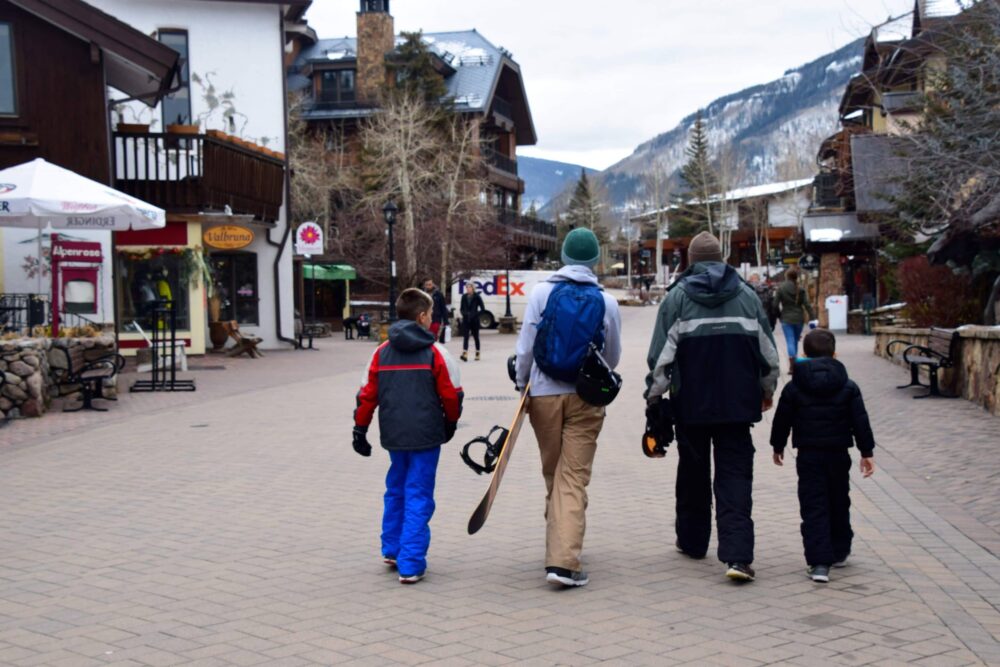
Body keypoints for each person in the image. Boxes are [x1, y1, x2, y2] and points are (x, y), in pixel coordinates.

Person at [645, 231, 779, 583]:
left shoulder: (676, 299)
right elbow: (768, 354)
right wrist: (767, 390)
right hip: (738, 404)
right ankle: (738, 557)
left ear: (690, 261)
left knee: (693, 472)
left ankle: (692, 542)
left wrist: (654, 398)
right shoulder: (747, 297)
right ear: (722, 258)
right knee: (735, 475)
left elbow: (660, 359)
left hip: (690, 404)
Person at [514, 227, 622, 588]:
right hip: (586, 397)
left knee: (554, 472)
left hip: (543, 395)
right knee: (572, 476)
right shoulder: (606, 301)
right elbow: (612, 356)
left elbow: (526, 347)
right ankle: (563, 561)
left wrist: (522, 386)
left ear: (563, 257)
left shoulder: (541, 293)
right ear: (595, 261)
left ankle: (558, 545)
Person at [353, 288, 464, 584]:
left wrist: (360, 429)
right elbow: (451, 394)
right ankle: (411, 563)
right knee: (419, 493)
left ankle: (392, 549)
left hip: (394, 433)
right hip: (426, 434)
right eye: (431, 314)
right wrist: (451, 422)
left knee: (396, 488)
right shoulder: (436, 352)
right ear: (423, 316)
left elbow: (367, 395)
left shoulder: (381, 352)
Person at [770, 328, 875, 583]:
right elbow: (860, 421)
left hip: (809, 455)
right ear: (834, 353)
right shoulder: (848, 386)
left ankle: (819, 563)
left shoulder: (794, 387)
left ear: (804, 354)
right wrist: (866, 452)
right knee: (839, 500)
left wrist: (778, 445)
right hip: (838, 454)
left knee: (813, 504)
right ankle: (839, 549)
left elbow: (782, 418)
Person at [776, 268, 816, 374]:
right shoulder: (800, 289)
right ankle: (795, 365)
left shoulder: (781, 288)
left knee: (790, 341)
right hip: (799, 319)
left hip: (786, 318)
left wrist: (779, 315)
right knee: (794, 341)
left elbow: (775, 305)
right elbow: (807, 305)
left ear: (786, 276)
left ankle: (792, 366)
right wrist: (813, 318)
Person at [459, 282, 485, 362]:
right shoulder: (464, 297)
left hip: (475, 320)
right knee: (466, 337)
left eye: (469, 287)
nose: (468, 289)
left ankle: (477, 353)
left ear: (473, 288)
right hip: (466, 320)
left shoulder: (477, 297)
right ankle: (465, 354)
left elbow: (483, 309)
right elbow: (461, 308)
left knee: (476, 337)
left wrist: (476, 315)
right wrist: (464, 314)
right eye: (467, 287)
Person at [422, 278, 450, 343]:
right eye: (427, 285)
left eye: (430, 284)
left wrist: (446, 321)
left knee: (433, 337)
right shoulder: (422, 294)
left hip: (436, 319)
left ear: (433, 284)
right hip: (425, 319)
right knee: (425, 337)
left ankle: (432, 347)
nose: (428, 286)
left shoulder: (438, 294)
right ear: (424, 285)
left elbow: (443, 307)